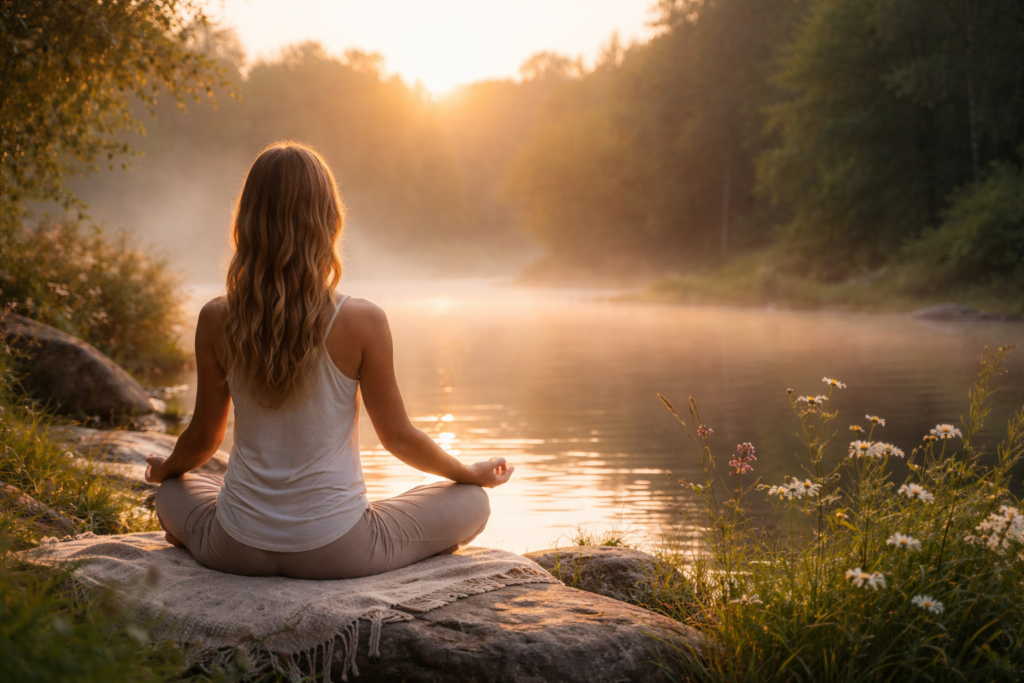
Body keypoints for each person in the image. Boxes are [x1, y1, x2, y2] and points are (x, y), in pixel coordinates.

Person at [145, 142, 513, 580]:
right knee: (473, 501)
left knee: (171, 491)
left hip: (234, 546)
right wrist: (468, 472)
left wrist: (166, 469)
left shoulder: (216, 318)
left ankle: (192, 531)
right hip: (338, 552)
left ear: (246, 223)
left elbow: (205, 437)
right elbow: (398, 438)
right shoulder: (362, 320)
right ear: (329, 222)